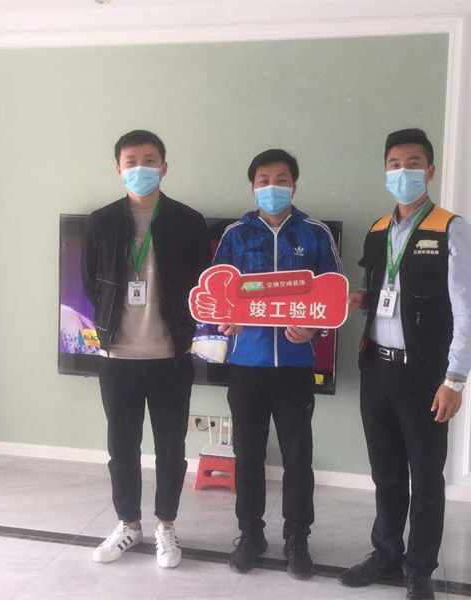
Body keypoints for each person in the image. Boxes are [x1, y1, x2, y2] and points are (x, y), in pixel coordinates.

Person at [341, 129, 471, 599]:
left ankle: (419, 567)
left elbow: (469, 312)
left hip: (425, 375)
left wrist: (454, 380)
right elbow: (386, 294)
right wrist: (362, 298)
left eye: (413, 163)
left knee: (424, 477)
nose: (403, 172)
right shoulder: (378, 230)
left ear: (430, 170)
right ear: (385, 171)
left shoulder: (451, 229)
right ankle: (385, 553)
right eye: (395, 164)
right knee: (385, 473)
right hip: (377, 368)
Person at [209, 149, 342, 580]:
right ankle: (250, 534)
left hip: (295, 366)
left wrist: (314, 328)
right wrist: (224, 319)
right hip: (246, 364)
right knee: (247, 455)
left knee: (298, 456)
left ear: (294, 185)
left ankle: (297, 537)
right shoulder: (235, 235)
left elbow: (333, 296)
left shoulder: (315, 233)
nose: (272, 187)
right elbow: (217, 292)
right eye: (263, 180)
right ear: (253, 186)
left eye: (281, 179)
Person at [82, 129, 211, 569]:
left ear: (164, 166)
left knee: (171, 449)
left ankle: (165, 526)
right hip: (117, 358)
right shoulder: (101, 221)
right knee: (122, 449)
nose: (141, 168)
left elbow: (202, 287)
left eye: (150, 160)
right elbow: (90, 282)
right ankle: (128, 524)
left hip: (170, 357)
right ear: (119, 170)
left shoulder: (188, 221)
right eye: (131, 161)